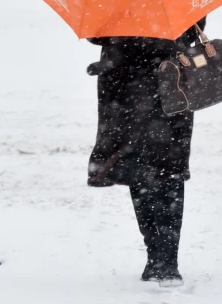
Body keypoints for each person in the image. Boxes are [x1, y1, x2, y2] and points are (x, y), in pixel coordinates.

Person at [86, 18, 207, 287]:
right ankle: (163, 260)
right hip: (163, 83)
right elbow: (192, 29)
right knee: (160, 171)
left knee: (145, 171)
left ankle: (161, 259)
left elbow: (96, 34)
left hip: (131, 88)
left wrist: (124, 37)